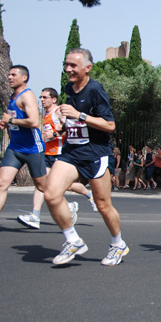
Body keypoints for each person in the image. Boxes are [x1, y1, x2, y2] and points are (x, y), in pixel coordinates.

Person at [44, 48, 128, 266]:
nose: (68, 69)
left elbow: (110, 125)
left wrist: (79, 115)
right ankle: (73, 240)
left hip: (96, 154)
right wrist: (64, 124)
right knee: (51, 194)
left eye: (73, 65)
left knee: (102, 204)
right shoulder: (68, 89)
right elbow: (74, 122)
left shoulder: (95, 90)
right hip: (72, 152)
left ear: (87, 68)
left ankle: (118, 243)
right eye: (66, 64)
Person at [17, 87, 97, 229]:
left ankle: (84, 197)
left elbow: (70, 130)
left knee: (64, 185)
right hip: (47, 153)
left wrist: (54, 135)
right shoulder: (44, 114)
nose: (41, 100)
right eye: (40, 97)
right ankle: (36, 216)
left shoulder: (59, 111)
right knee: (42, 184)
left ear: (54, 99)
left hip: (60, 154)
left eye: (44, 97)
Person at [0, 65, 46, 217]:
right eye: (9, 74)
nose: (9, 77)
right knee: (2, 183)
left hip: (32, 148)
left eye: (13, 74)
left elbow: (34, 122)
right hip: (15, 148)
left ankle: (67, 206)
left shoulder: (28, 95)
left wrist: (12, 120)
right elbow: (15, 120)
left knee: (43, 186)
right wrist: (6, 123)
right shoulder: (12, 97)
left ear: (24, 77)